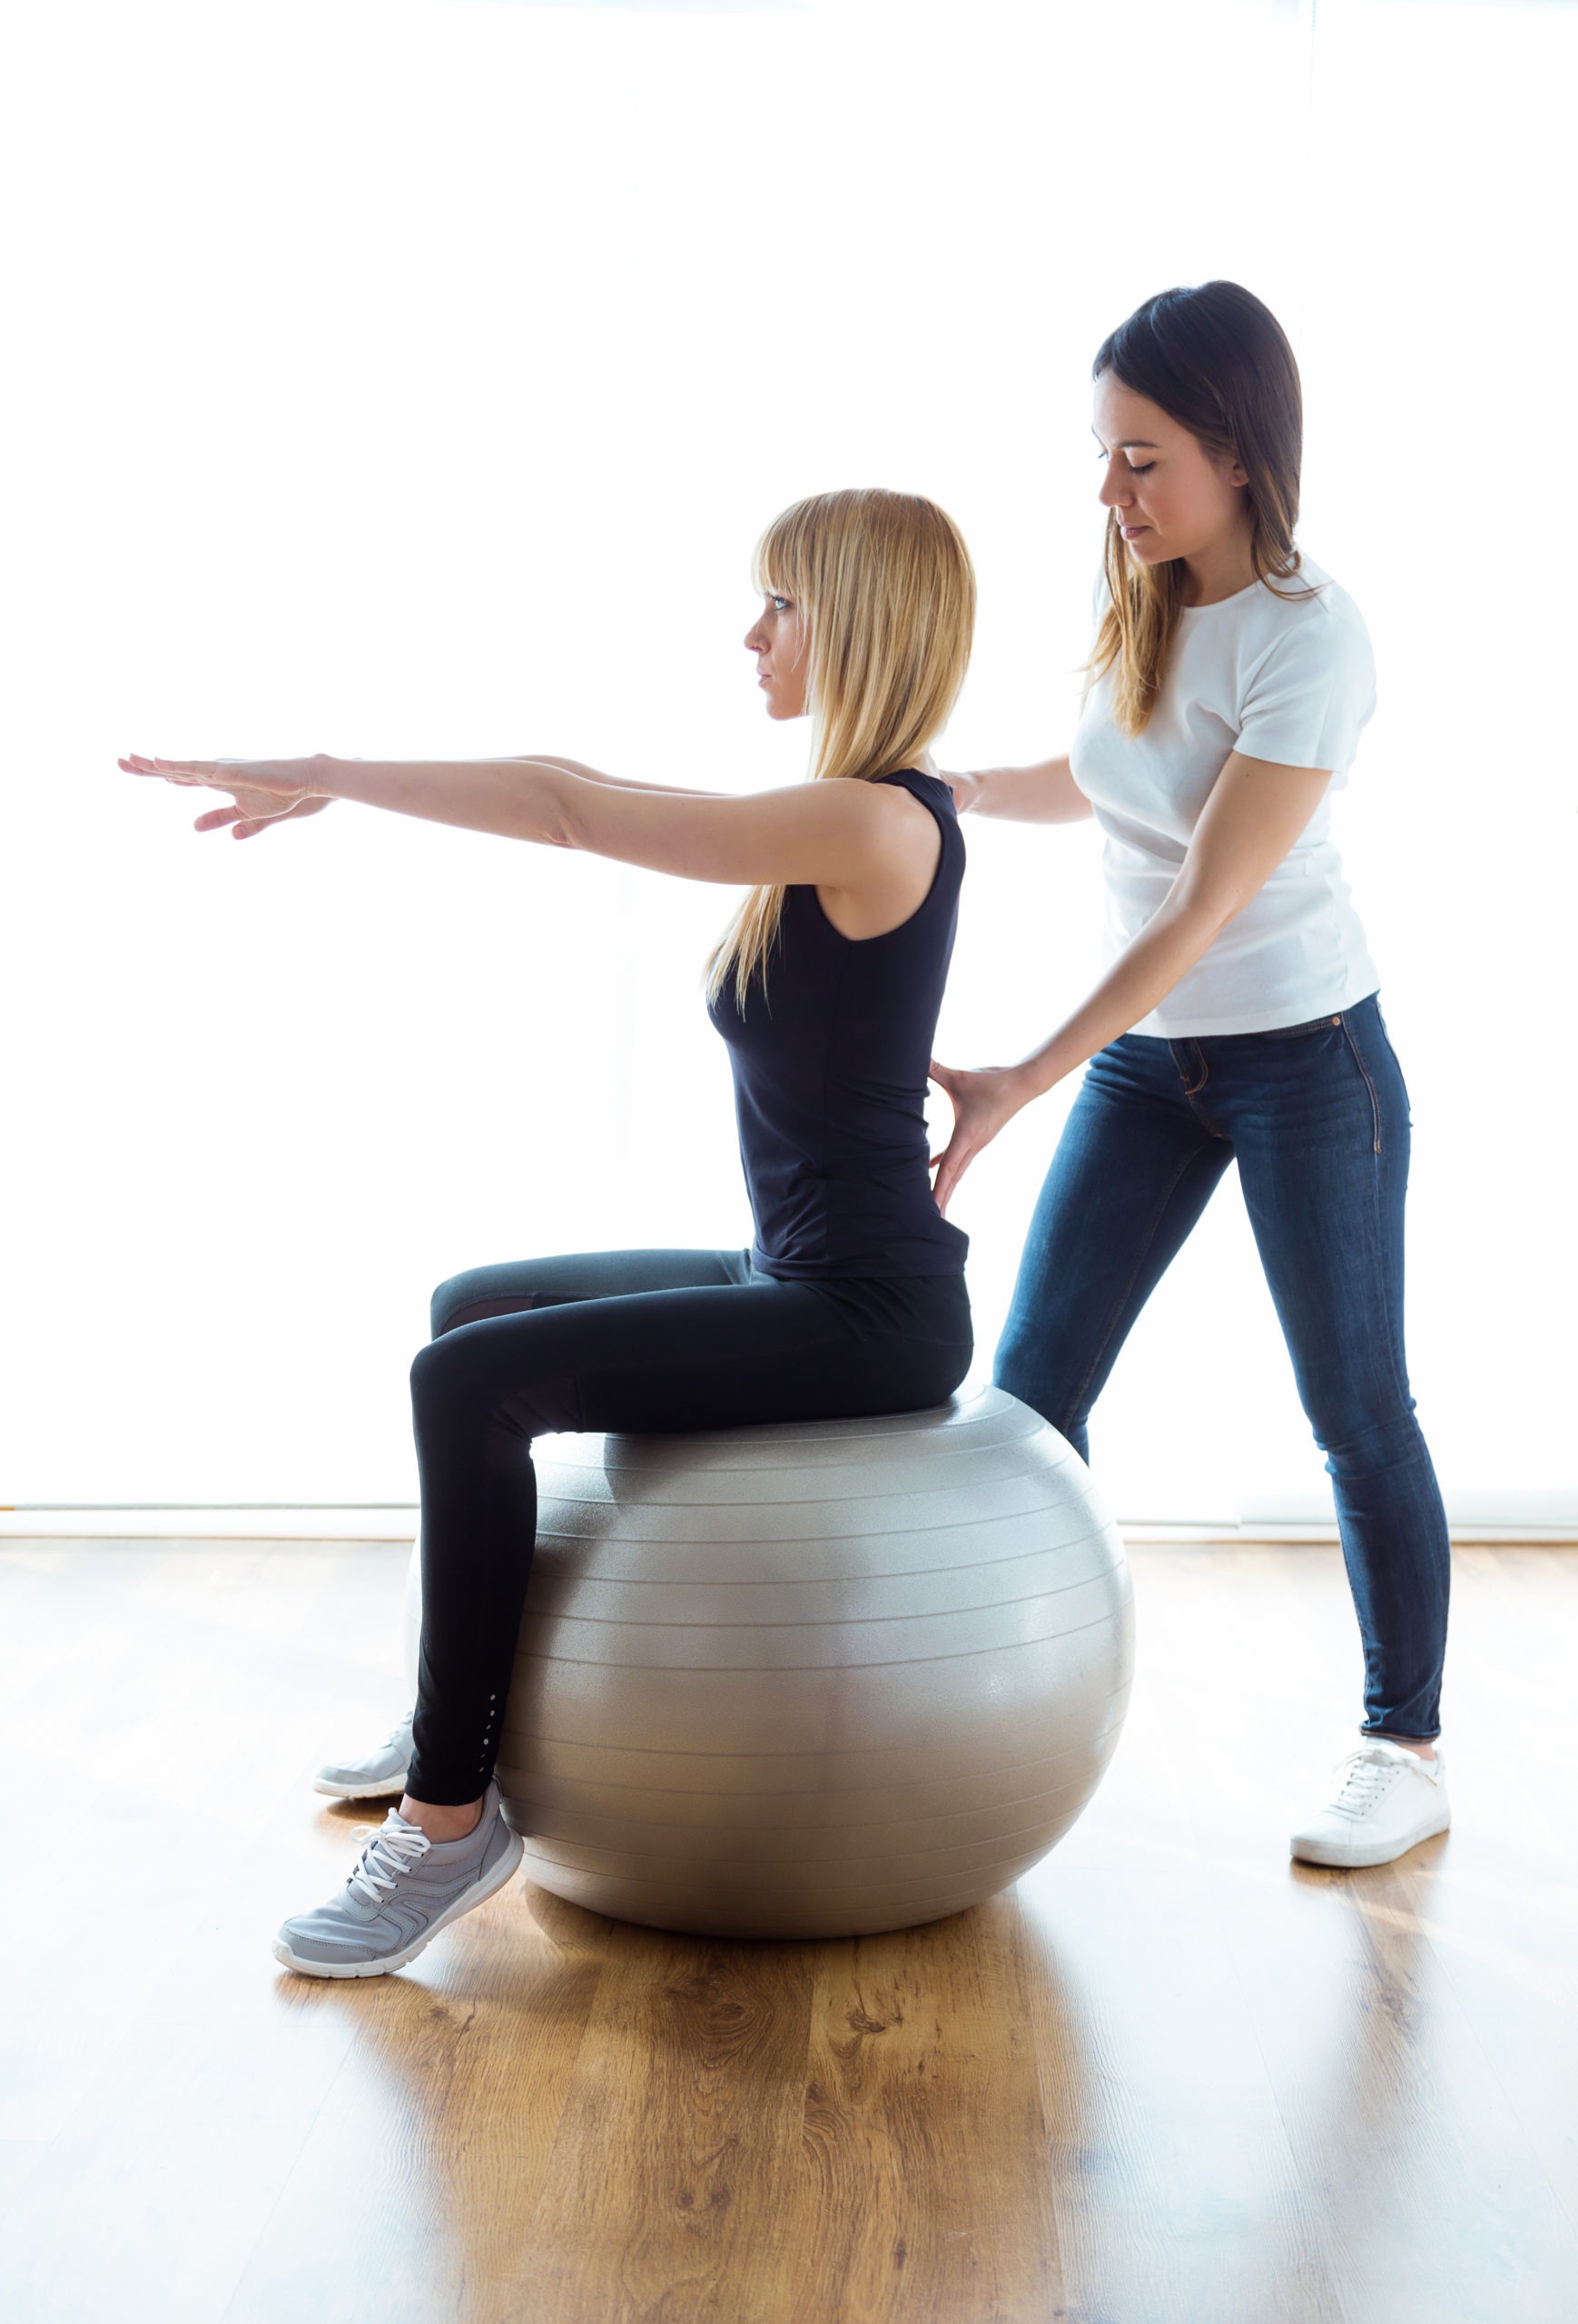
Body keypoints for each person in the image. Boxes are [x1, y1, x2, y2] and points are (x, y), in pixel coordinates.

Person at [123, 486, 977, 1975]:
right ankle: (457, 1699)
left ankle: (453, 1823)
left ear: (856, 618)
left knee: (465, 1387)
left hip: (866, 1312)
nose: (750, 634)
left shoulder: (870, 816)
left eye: (778, 604)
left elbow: (572, 805)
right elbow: (570, 778)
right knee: (472, 1309)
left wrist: (328, 772)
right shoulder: (859, 813)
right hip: (800, 1268)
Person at [928, 282, 1451, 1873]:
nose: (1111, 494)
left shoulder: (1311, 635)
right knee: (1031, 1398)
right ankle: (998, 1703)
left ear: (1236, 450)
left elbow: (1199, 904)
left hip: (1307, 1058)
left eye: (1140, 459)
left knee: (1355, 1410)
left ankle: (1402, 1744)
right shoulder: (1139, 599)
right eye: (1103, 455)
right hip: (1155, 1066)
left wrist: (1020, 1074)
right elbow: (1089, 784)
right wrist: (931, 783)